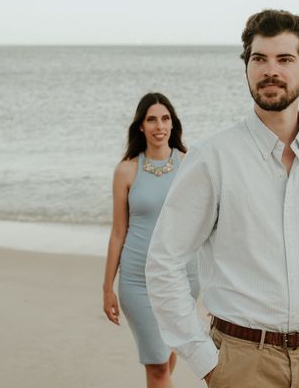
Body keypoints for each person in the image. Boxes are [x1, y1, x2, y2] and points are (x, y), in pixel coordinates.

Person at [146, 10, 299, 388]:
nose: (271, 71)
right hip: (242, 363)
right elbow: (164, 262)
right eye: (259, 59)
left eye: (285, 59)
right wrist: (207, 361)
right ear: (246, 68)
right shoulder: (212, 157)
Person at [103, 93, 199, 388]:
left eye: (165, 118)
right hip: (137, 280)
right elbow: (119, 231)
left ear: (173, 124)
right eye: (152, 119)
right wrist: (107, 287)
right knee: (157, 367)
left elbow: (202, 224)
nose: (160, 126)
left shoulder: (190, 164)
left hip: (181, 278)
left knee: (167, 353)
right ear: (141, 127)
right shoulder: (126, 170)